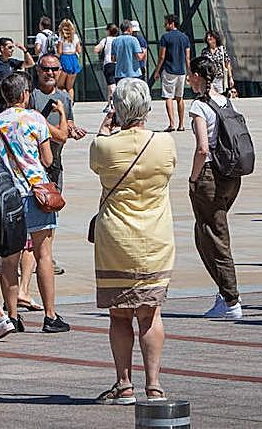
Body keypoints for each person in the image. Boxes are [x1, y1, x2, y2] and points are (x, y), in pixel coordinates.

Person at [89, 78, 176, 405]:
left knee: (119, 315)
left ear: (117, 110)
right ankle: (154, 385)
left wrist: (105, 127)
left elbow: (96, 161)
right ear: (148, 108)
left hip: (116, 239)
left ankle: (124, 384)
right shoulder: (165, 144)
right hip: (155, 237)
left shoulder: (105, 146)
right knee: (150, 313)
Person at [0, 71, 69, 333]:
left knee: (9, 260)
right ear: (25, 95)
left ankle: (11, 316)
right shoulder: (35, 119)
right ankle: (50, 315)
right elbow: (47, 160)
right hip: (36, 193)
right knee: (43, 254)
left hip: (7, 196)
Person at [184, 55, 243, 319]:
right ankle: (224, 293)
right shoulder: (225, 101)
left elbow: (202, 149)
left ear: (198, 75)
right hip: (231, 175)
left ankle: (231, 300)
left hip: (210, 175)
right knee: (203, 234)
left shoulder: (198, 106)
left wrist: (193, 178)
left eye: (191, 74)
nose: (188, 78)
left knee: (216, 236)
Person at [27, 52, 85, 284]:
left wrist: (72, 130)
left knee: (51, 211)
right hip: (33, 165)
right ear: (38, 71)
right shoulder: (31, 96)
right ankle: (30, 256)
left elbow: (67, 122)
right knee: (30, 213)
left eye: (54, 69)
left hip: (55, 166)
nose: (50, 73)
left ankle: (47, 256)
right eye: (46, 69)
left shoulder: (64, 97)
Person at [154, 15, 192, 132]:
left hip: (169, 70)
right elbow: (187, 57)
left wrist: (157, 71)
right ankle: (181, 124)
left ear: (171, 24)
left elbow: (162, 56)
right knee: (180, 98)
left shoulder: (165, 37)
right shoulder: (185, 38)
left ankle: (172, 124)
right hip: (181, 71)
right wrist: (189, 72)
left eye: (166, 23)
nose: (164, 25)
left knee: (168, 97)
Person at [55, 18, 83, 101]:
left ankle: (63, 102)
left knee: (60, 86)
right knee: (70, 87)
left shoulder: (61, 37)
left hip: (64, 59)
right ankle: (71, 102)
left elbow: (59, 51)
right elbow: (79, 50)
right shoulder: (75, 37)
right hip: (73, 59)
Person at [95, 23, 121, 108]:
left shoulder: (106, 40)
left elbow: (97, 49)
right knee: (112, 85)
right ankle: (109, 103)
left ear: (109, 31)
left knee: (111, 85)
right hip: (119, 64)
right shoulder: (119, 39)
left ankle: (114, 102)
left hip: (109, 63)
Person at [201, 30, 234, 95]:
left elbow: (227, 63)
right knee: (210, 96)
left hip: (219, 78)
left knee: (219, 96)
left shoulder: (221, 49)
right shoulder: (205, 51)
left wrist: (230, 77)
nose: (208, 38)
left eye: (211, 36)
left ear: (215, 38)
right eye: (207, 36)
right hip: (209, 79)